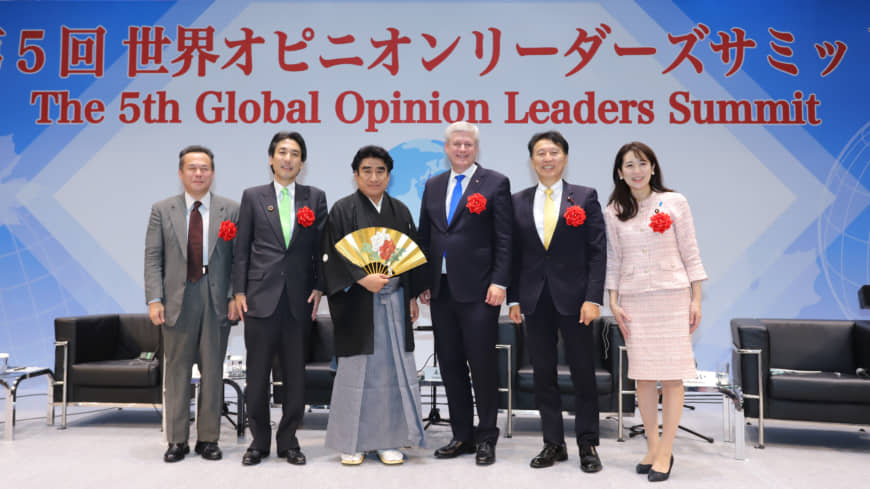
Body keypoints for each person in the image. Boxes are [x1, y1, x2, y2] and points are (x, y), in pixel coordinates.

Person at [604, 142, 707, 482]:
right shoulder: (614, 209)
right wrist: (614, 301)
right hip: (634, 300)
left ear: (652, 168)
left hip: (673, 296)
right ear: (620, 172)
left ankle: (666, 449)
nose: (636, 170)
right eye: (629, 165)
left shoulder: (675, 202)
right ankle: (651, 445)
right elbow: (614, 260)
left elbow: (691, 252)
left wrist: (696, 299)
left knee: (672, 375)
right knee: (644, 376)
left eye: (642, 163)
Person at [320, 145, 428, 465]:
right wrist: (360, 278)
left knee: (391, 373)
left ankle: (388, 439)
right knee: (355, 374)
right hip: (356, 302)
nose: (373, 176)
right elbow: (330, 256)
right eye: (366, 170)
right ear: (355, 175)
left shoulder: (400, 211)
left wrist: (409, 296)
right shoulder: (342, 210)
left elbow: (410, 258)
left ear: (389, 176)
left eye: (380, 170)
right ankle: (351, 442)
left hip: (393, 301)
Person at [507, 131, 606, 473]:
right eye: (540, 153)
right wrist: (514, 299)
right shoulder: (517, 200)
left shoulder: (585, 197)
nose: (547, 158)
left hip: (576, 300)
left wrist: (593, 298)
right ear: (531, 160)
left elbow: (597, 252)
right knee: (543, 374)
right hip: (534, 300)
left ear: (564, 157)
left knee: (582, 374)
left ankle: (587, 443)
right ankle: (553, 443)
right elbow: (515, 255)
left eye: (553, 152)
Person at [418, 121, 512, 465]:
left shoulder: (495, 183)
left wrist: (500, 282)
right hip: (441, 292)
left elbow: (504, 238)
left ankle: (487, 436)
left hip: (480, 292)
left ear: (475, 148)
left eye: (467, 145)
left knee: (482, 365)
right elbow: (425, 237)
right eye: (456, 144)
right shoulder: (433, 185)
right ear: (446, 148)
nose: (461, 149)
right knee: (451, 365)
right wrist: (422, 282)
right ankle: (462, 435)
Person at [232, 131, 328, 466]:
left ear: (303, 162)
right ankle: (259, 441)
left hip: (298, 300)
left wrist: (319, 287)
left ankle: (288, 440)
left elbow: (321, 249)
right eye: (282, 152)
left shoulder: (314, 197)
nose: (288, 159)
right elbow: (241, 249)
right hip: (260, 298)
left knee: (295, 377)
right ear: (271, 158)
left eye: (295, 154)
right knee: (257, 376)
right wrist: (239, 291)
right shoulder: (253, 196)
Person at [144, 145, 240, 463]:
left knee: (213, 370)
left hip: (216, 300)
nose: (199, 173)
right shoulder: (162, 209)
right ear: (181, 172)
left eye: (205, 168)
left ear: (213, 172)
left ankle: (209, 438)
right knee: (177, 372)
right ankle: (177, 440)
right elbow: (153, 257)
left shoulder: (231, 209)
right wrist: (154, 299)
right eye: (192, 168)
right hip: (177, 300)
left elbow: (239, 260)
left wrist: (234, 295)